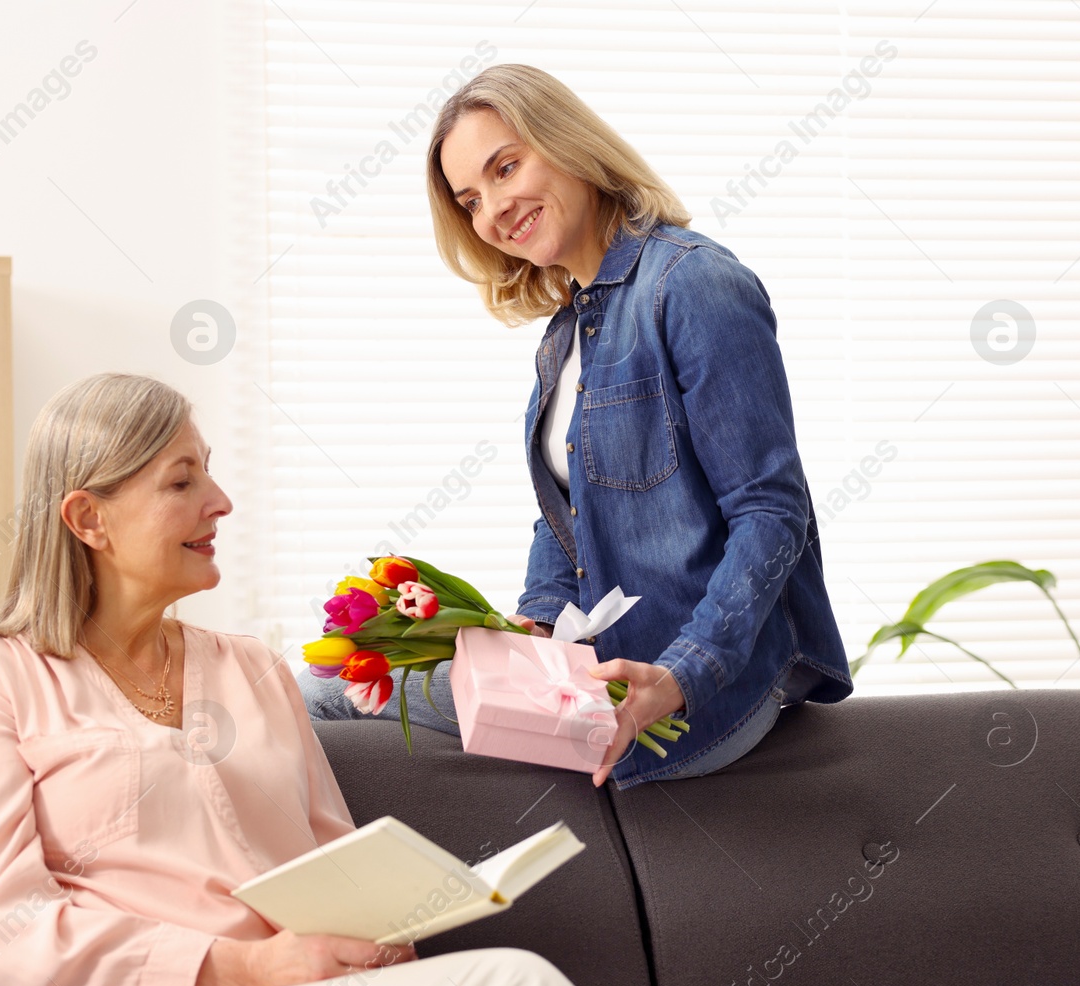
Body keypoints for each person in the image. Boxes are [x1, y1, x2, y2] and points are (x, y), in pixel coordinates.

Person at [0, 373, 646, 986]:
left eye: (208, 471)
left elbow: (335, 866)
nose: (221, 500)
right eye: (181, 481)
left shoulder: (252, 670)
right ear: (88, 518)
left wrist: (383, 938)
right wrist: (236, 966)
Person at [301, 64, 854, 789]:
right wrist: (531, 624)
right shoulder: (566, 334)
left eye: (506, 167)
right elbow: (566, 517)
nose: (494, 208)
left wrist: (680, 675)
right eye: (471, 199)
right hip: (599, 671)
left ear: (567, 144)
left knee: (316, 691)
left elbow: (772, 514)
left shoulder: (693, 285)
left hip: (701, 690)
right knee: (324, 671)